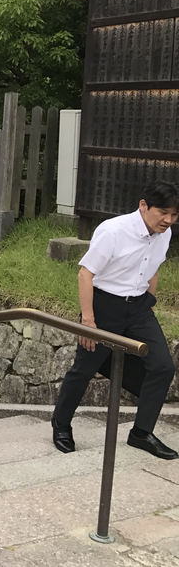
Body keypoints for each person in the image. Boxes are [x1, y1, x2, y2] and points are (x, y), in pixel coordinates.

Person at [52, 180, 179, 459]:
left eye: (174, 214)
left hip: (140, 308)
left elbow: (153, 269)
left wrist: (150, 302)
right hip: (105, 305)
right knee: (83, 369)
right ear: (143, 206)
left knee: (163, 366)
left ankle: (141, 433)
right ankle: (61, 424)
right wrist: (88, 321)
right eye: (163, 213)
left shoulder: (164, 233)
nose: (168, 220)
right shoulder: (113, 230)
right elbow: (85, 273)